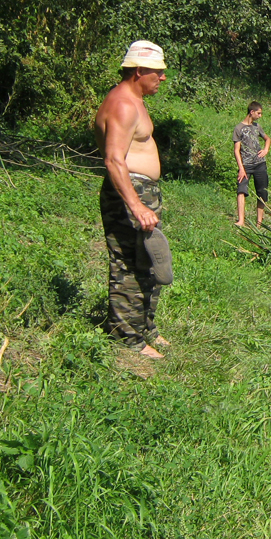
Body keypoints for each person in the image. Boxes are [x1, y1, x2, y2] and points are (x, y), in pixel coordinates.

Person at [93, 40, 174, 360]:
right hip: (130, 193)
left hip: (142, 190)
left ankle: (146, 327)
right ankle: (128, 338)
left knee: (149, 262)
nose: (163, 78)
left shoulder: (135, 100)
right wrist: (136, 205)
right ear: (139, 70)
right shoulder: (123, 104)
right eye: (158, 72)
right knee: (129, 264)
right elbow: (114, 159)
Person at [233, 101, 271, 227]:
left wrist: (266, 149)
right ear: (252, 112)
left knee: (262, 192)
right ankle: (241, 221)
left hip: (260, 164)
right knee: (241, 190)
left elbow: (267, 139)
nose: (260, 116)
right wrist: (241, 168)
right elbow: (236, 150)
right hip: (246, 165)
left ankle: (259, 223)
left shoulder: (257, 127)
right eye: (259, 113)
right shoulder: (239, 128)